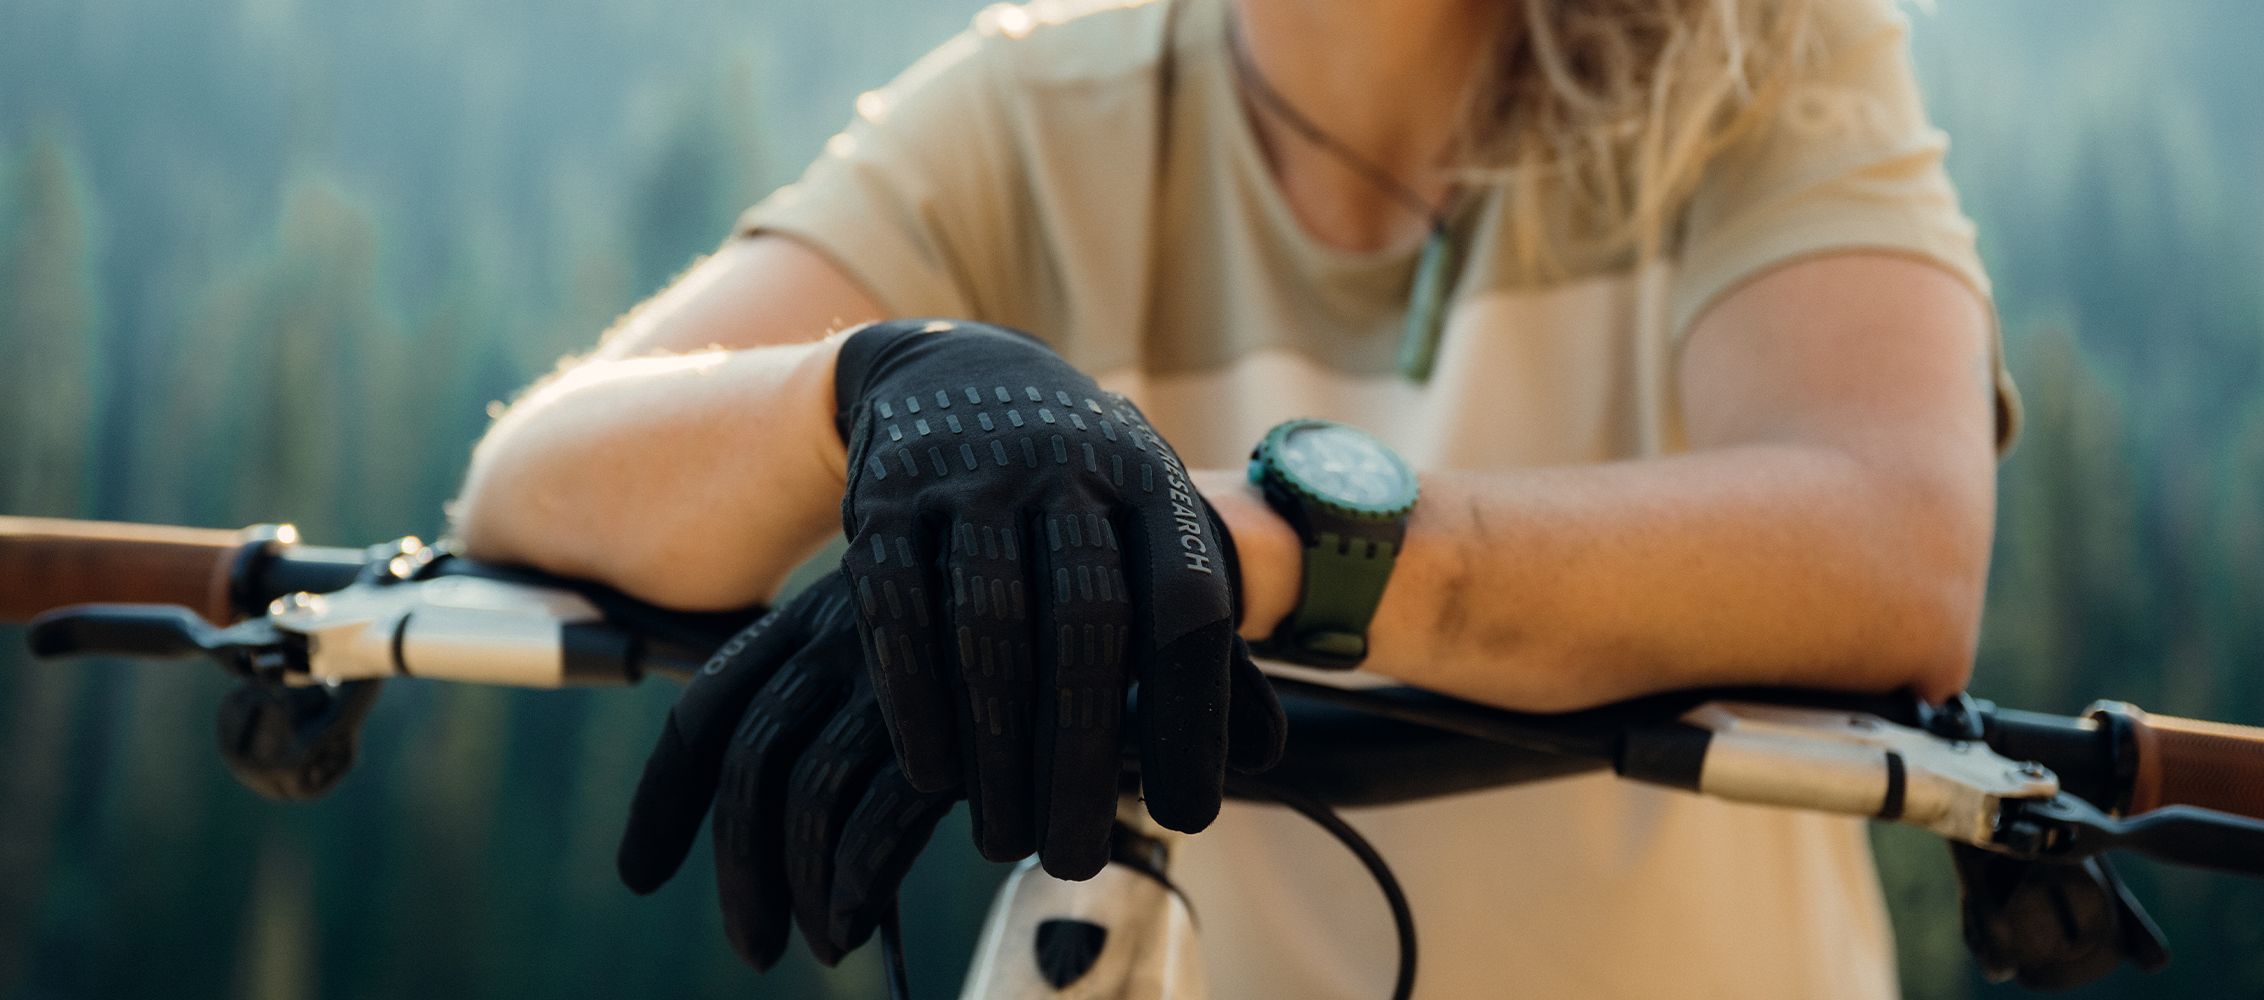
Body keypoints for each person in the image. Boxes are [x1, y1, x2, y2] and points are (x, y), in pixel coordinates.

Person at [452, 0, 2012, 994]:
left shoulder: (1762, 52)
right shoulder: (1030, 112)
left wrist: (1231, 539)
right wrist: (869, 386)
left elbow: (1890, 550)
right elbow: (537, 480)